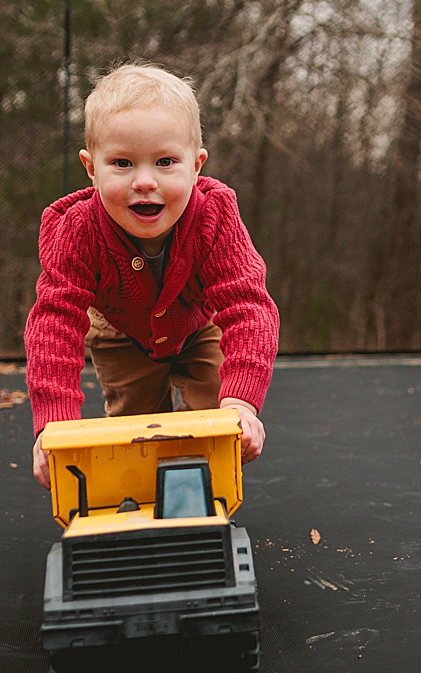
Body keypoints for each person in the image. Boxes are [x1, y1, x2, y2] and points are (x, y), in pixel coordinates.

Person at [24, 62, 279, 489]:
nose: (145, 181)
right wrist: (55, 426)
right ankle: (142, 500)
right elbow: (54, 323)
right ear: (91, 168)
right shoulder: (77, 231)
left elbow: (249, 306)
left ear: (196, 166)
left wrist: (241, 402)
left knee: (217, 423)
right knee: (136, 433)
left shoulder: (215, 217)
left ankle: (199, 499)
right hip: (120, 333)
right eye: (122, 163)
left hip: (198, 325)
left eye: (165, 162)